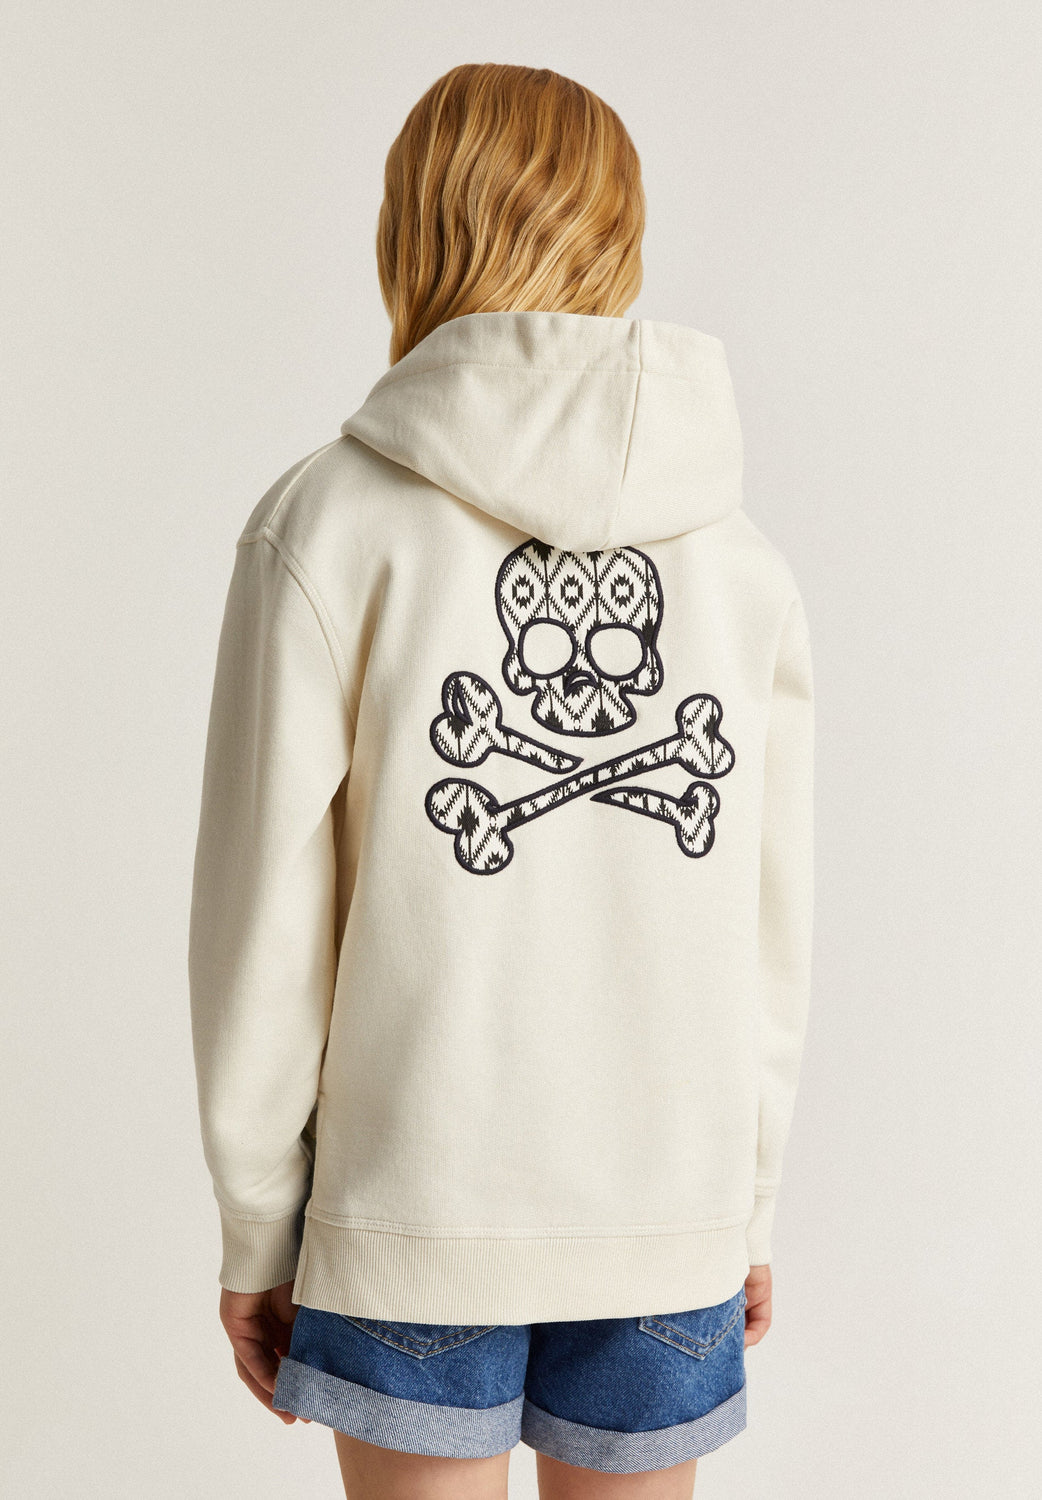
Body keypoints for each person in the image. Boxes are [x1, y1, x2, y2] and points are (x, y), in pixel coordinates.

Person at [188, 61, 815, 1500]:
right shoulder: (739, 565)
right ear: (618, 234)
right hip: (664, 1208)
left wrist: (259, 1219)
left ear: (412, 228)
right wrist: (743, 1203)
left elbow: (260, 918)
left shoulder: (328, 523)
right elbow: (769, 931)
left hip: (413, 1211)